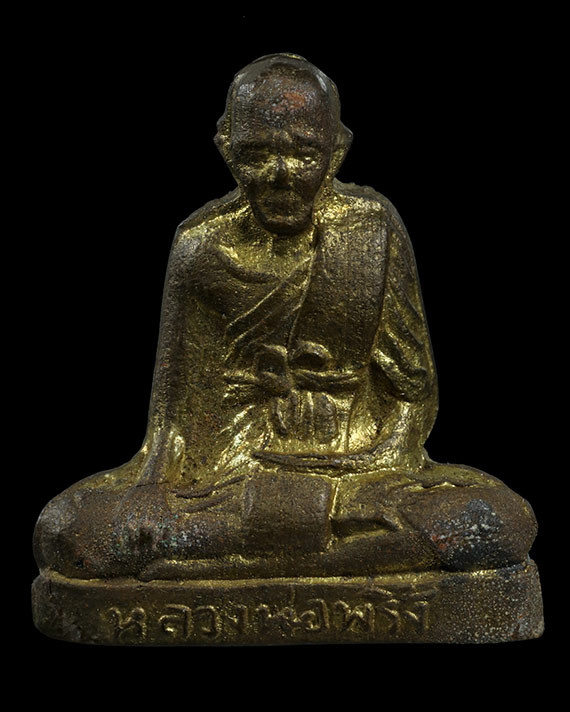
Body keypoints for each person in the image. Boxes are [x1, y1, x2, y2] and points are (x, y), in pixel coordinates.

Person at [34, 54, 537, 582]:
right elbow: (173, 421)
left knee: (494, 520)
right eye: (257, 154)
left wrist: (382, 458)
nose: (281, 176)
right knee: (65, 529)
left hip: (354, 476)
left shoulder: (370, 230)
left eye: (304, 154)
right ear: (227, 149)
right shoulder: (201, 248)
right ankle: (344, 556)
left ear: (336, 151)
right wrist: (152, 489)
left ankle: (231, 558)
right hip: (228, 479)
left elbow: (412, 393)